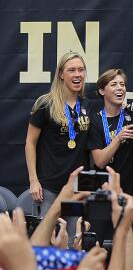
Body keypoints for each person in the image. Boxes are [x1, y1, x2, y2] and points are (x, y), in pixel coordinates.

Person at [26, 52, 92, 210]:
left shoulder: (86, 104)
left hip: (77, 186)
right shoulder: (45, 103)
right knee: (46, 234)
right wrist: (33, 180)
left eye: (81, 70)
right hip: (49, 186)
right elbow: (30, 142)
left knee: (72, 234)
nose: (77, 74)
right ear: (61, 74)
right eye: (72, 70)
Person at [88, 69, 133, 197]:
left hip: (132, 190)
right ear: (102, 91)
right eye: (114, 84)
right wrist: (118, 138)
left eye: (122, 85)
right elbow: (99, 161)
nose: (120, 88)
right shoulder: (95, 120)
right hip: (104, 190)